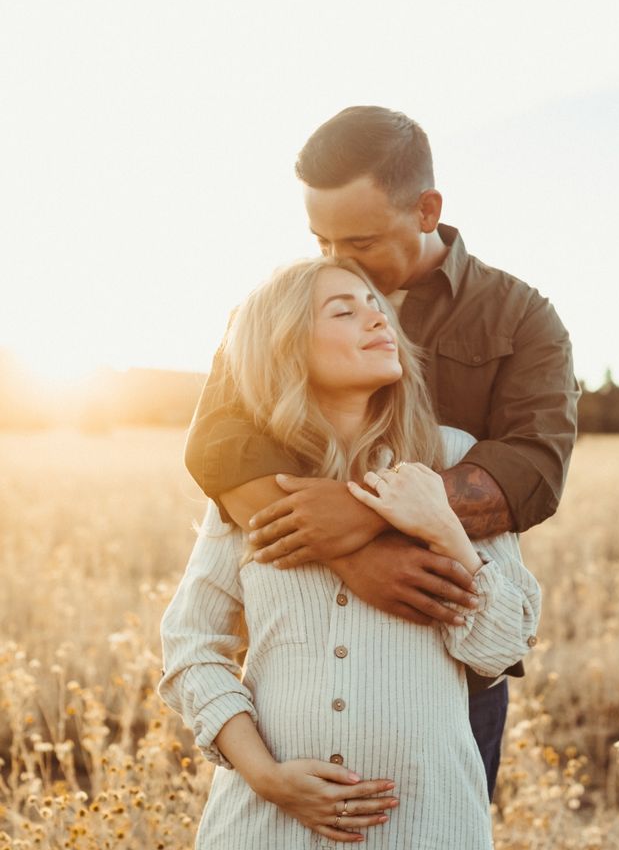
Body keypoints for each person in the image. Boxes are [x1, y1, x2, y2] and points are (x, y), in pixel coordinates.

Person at [185, 106, 579, 797]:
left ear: (427, 209)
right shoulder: (278, 306)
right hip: (297, 658)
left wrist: (364, 511)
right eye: (321, 239)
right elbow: (218, 444)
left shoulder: (520, 316)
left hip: (445, 647)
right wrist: (351, 556)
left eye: (360, 241)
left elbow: (533, 471)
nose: (337, 261)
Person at [159, 257, 541, 850]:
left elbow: (503, 646)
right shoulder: (250, 483)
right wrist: (268, 777)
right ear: (284, 347)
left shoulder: (453, 459)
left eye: (376, 305)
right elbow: (192, 647)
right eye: (343, 309)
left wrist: (442, 526)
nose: (376, 315)